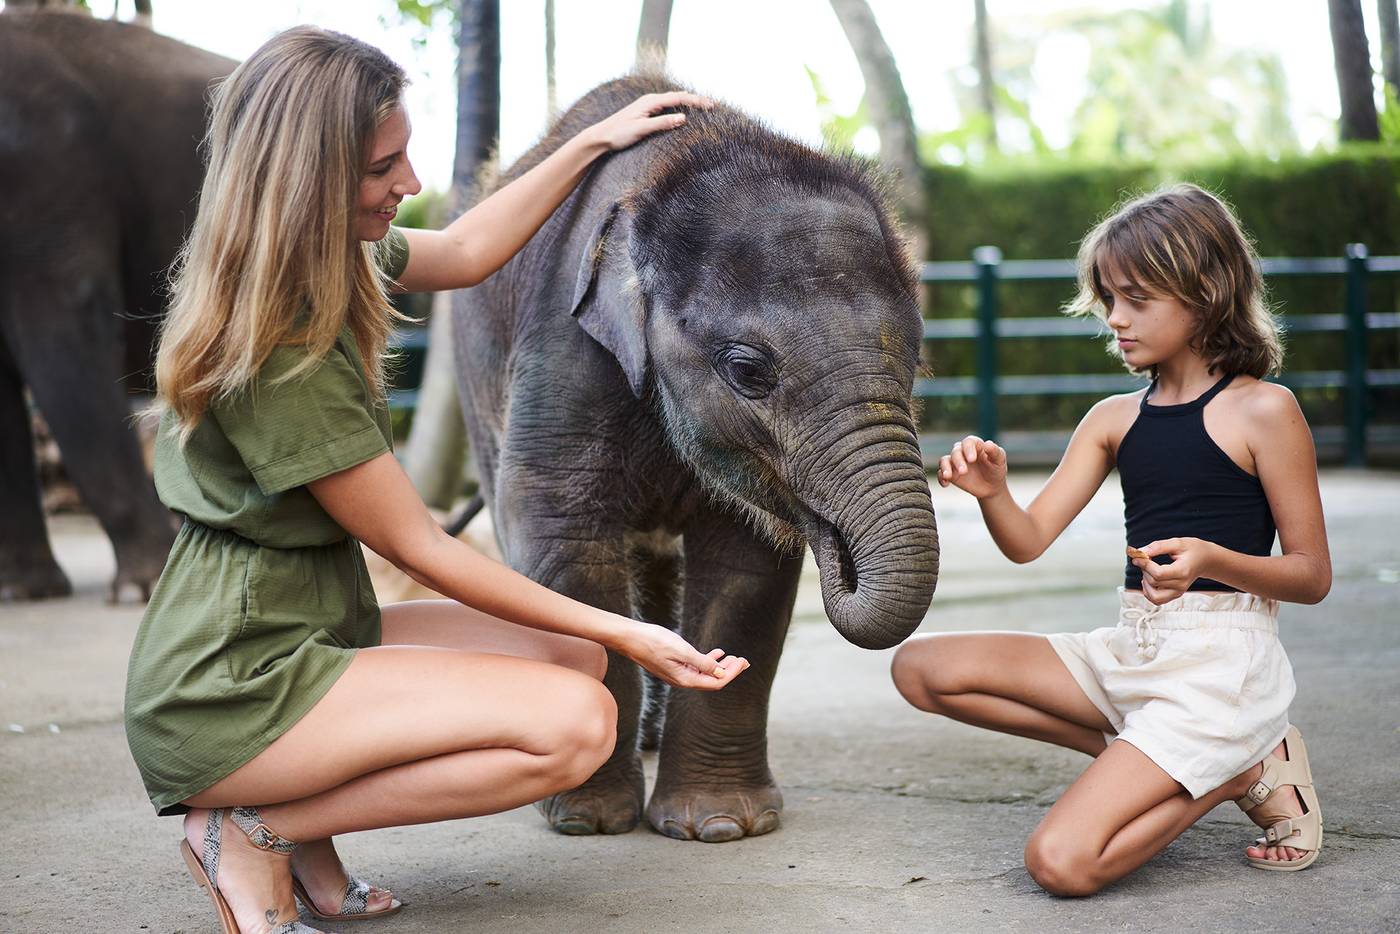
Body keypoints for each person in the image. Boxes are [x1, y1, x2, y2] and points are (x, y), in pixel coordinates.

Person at [123, 26, 744, 934]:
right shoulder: (284, 348)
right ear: (308, 177)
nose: (407, 184)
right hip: (235, 680)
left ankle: (301, 842)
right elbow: (420, 546)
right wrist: (633, 628)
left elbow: (462, 250)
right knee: (576, 725)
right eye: (384, 167)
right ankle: (258, 825)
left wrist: (590, 143)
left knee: (575, 660)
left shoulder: (322, 256)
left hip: (308, 626)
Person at [890, 184, 1332, 895]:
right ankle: (1174, 757)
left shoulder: (1264, 410)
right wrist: (994, 494)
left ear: (1204, 291)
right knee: (918, 668)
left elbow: (1312, 575)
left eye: (1136, 299)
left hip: (1218, 670)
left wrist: (1212, 561)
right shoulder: (1113, 418)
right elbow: (1028, 541)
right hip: (1132, 652)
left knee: (1060, 864)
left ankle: (1237, 770)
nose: (1116, 320)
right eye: (1108, 300)